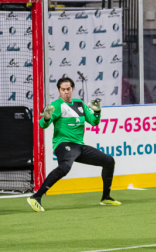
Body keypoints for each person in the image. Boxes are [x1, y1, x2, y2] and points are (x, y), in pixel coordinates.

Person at [27, 78, 120, 212]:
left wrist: (97, 111)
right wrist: (46, 118)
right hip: (63, 144)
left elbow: (93, 122)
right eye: (63, 90)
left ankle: (106, 197)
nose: (66, 92)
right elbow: (42, 125)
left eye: (68, 89)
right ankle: (36, 197)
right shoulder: (57, 105)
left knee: (109, 161)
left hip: (79, 146)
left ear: (72, 89)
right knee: (65, 167)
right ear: (59, 91)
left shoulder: (79, 104)